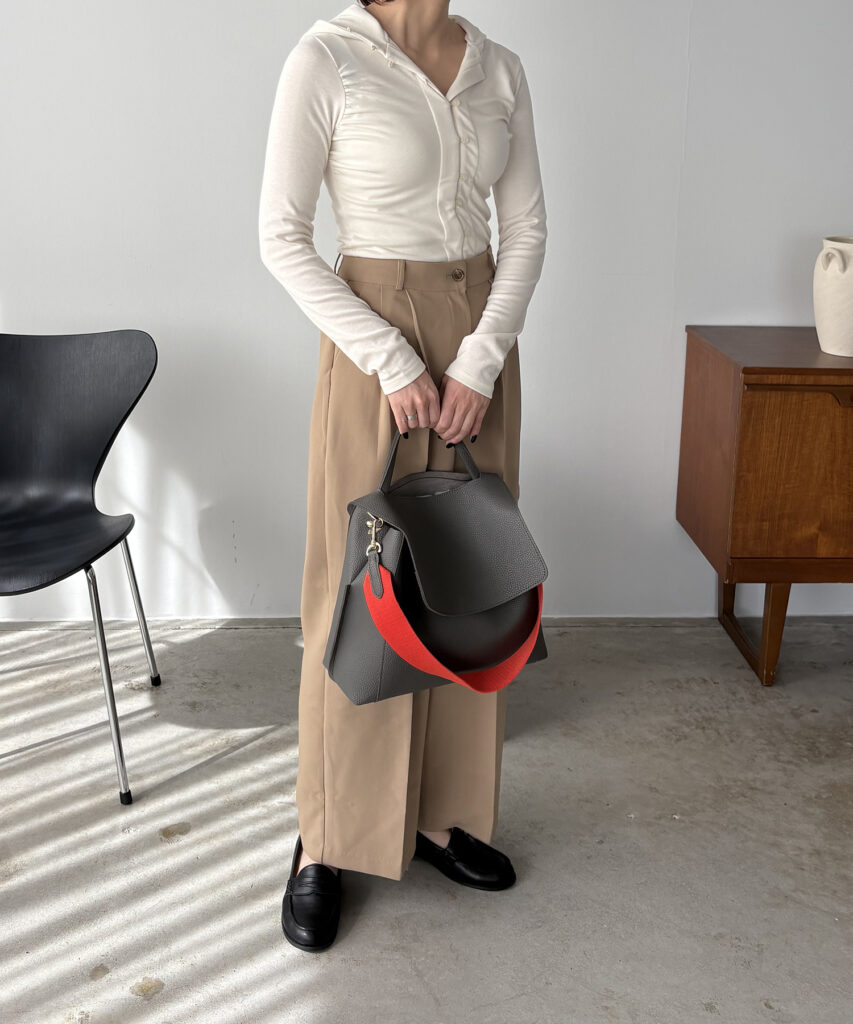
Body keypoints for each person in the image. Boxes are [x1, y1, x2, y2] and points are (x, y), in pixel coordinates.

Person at [258, 0, 547, 952]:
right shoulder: (328, 58)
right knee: (355, 589)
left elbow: (526, 228)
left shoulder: (498, 67)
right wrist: (388, 358)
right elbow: (281, 235)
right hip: (371, 339)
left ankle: (441, 816)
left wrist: (480, 362)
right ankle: (327, 838)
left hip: (478, 345)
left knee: (467, 581)